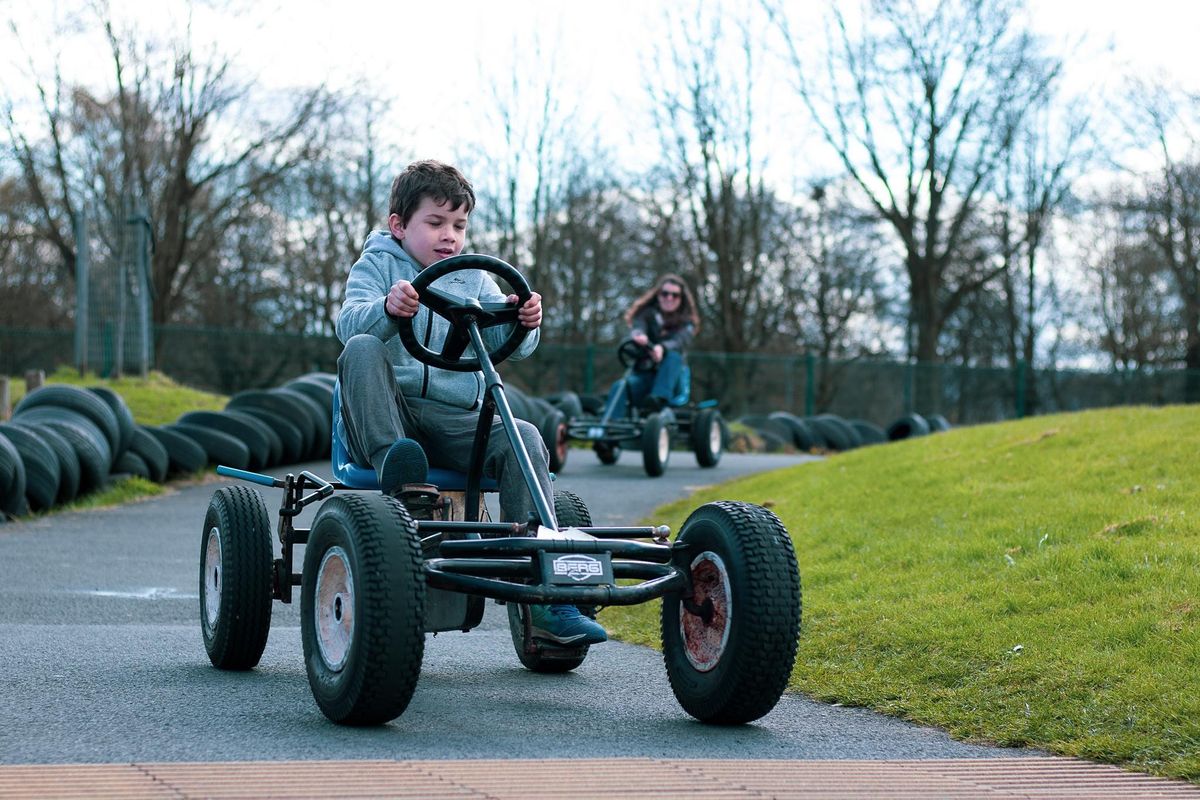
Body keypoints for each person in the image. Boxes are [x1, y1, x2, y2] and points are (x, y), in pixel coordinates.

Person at [334, 159, 605, 647]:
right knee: (361, 347)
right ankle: (397, 466)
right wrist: (386, 310)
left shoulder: (475, 279)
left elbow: (513, 346)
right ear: (399, 226)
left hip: (455, 420)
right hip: (388, 416)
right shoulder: (376, 264)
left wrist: (525, 320)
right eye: (435, 223)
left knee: (524, 435)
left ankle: (545, 598)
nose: (449, 237)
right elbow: (350, 324)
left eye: (458, 226)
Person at [604, 274, 700, 418]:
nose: (669, 298)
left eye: (675, 295)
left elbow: (679, 342)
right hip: (645, 377)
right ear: (658, 295)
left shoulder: (687, 323)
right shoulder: (645, 315)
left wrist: (662, 348)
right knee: (620, 386)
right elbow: (638, 328)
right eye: (665, 293)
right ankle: (609, 429)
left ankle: (657, 400)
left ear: (681, 299)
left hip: (672, 382)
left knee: (673, 357)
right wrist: (639, 336)